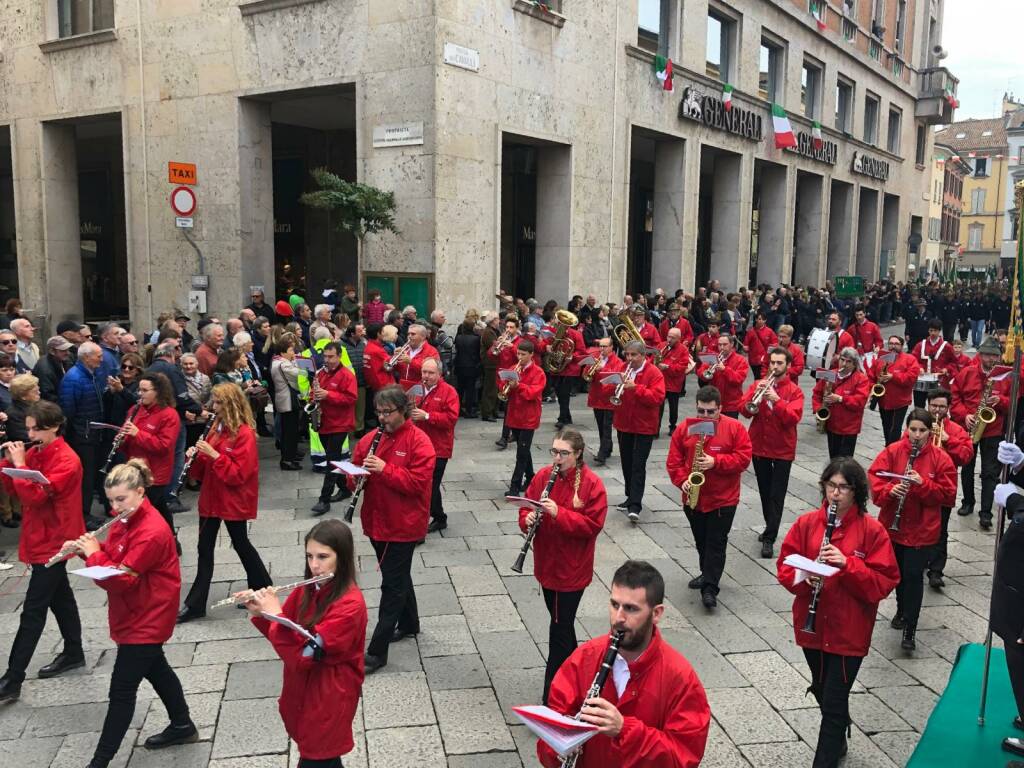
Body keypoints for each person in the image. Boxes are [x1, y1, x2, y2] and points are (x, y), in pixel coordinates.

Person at [67, 460, 198, 768]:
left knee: (121, 691)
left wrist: (94, 555)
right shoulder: (127, 521)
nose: (114, 507)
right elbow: (115, 558)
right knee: (157, 669)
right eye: (110, 500)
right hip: (136, 612)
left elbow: (123, 579)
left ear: (140, 492)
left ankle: (100, 761)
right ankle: (182, 725)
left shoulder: (151, 530)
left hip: (148, 616)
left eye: (120, 499)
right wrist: (88, 548)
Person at [777, 457, 899, 768]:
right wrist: (807, 576)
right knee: (822, 688)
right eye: (831, 485)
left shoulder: (873, 531)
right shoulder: (807, 523)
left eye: (843, 487)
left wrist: (848, 565)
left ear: (856, 491)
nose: (836, 493)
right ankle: (840, 730)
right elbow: (785, 566)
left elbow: (883, 582)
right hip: (813, 626)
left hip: (849, 630)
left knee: (833, 701)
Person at [538, 559, 710, 768]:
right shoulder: (584, 658)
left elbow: (684, 757)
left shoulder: (681, 678)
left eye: (631, 609)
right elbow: (549, 732)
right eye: (614, 605)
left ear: (656, 613)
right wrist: (557, 747)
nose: (618, 617)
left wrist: (624, 730)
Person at [244, 519, 367, 768]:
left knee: (318, 757)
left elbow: (303, 656)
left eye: (323, 556)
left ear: (341, 558)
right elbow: (283, 635)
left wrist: (275, 613)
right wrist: (262, 611)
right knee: (324, 759)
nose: (314, 565)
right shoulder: (308, 590)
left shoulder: (351, 605)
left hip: (329, 696)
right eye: (309, 556)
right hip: (305, 691)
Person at [0, 401, 85, 703]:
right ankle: (74, 651)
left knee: (33, 611)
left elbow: (36, 498)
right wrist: (7, 464)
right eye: (29, 427)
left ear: (54, 428)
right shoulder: (36, 452)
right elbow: (14, 491)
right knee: (60, 598)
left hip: (55, 540)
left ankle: (13, 677)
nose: (30, 433)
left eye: (36, 428)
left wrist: (21, 466)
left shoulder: (67, 460)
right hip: (40, 535)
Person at [349, 386, 434, 674]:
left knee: (392, 585)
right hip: (376, 520)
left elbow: (418, 485)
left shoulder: (420, 442)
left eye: (388, 412)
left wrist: (385, 470)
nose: (382, 418)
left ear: (403, 411)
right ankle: (410, 623)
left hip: (404, 524)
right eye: (379, 412)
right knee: (395, 574)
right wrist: (354, 476)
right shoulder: (370, 439)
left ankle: (377, 651)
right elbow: (354, 471)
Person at [519, 428, 607, 704]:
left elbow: (592, 526)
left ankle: (552, 698)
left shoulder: (592, 484)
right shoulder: (544, 476)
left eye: (563, 453)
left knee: (558, 631)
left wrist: (560, 514)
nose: (557, 458)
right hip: (547, 562)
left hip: (572, 569)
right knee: (563, 626)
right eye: (554, 452)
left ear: (578, 453)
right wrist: (527, 519)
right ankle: (580, 673)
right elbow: (525, 506)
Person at [177, 383, 271, 622]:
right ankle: (196, 604)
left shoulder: (244, 434)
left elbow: (239, 474)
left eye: (218, 403)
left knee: (241, 543)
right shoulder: (215, 429)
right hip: (211, 499)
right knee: (204, 549)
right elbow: (200, 473)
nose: (213, 407)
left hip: (232, 500)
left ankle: (262, 588)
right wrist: (194, 458)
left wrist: (215, 455)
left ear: (230, 404)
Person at [868, 409, 957, 651]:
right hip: (893, 527)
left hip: (921, 530)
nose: (916, 435)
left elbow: (948, 495)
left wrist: (922, 484)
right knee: (897, 574)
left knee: (913, 575)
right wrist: (889, 491)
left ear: (930, 432)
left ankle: (911, 628)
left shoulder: (941, 458)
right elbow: (875, 478)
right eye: (913, 430)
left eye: (922, 431)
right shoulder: (893, 451)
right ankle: (901, 609)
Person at [667, 385, 752, 608]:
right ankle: (707, 573)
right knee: (701, 541)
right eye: (701, 411)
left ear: (720, 408)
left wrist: (716, 462)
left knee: (716, 543)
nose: (705, 416)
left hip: (723, 499)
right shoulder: (685, 429)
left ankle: (710, 588)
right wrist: (682, 480)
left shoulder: (734, 428)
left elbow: (743, 459)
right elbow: (674, 461)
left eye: (710, 412)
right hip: (694, 498)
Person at [740, 348, 804, 559]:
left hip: (782, 450)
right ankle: (770, 525)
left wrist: (776, 400)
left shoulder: (795, 391)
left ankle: (769, 537)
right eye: (772, 363)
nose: (775, 367)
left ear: (787, 366)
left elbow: (792, 419)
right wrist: (753, 406)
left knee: (777, 495)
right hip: (760, 446)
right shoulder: (758, 384)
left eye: (779, 363)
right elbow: (743, 408)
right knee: (765, 492)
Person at [951, 336, 1010, 529]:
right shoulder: (967, 373)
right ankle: (968, 502)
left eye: (995, 356)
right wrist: (964, 415)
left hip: (993, 429)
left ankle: (986, 512)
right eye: (987, 355)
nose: (991, 359)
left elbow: (1014, 404)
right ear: (980, 355)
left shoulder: (1006, 377)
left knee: (990, 472)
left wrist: (1000, 400)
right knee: (966, 467)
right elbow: (954, 397)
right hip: (969, 426)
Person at [117, 372, 181, 536]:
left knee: (144, 510)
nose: (140, 394)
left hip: (155, 472)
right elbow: (129, 443)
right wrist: (121, 440)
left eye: (145, 390)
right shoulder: (135, 409)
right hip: (135, 468)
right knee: (159, 507)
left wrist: (138, 434)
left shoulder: (169, 415)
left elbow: (164, 446)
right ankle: (172, 540)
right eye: (139, 390)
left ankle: (159, 540)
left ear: (158, 392)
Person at [923, 389, 974, 589]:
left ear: (948, 408)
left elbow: (965, 456)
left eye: (941, 406)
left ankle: (936, 571)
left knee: (940, 530)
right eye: (934, 405)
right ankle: (921, 561)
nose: (937, 410)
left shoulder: (956, 430)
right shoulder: (919, 425)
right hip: (921, 485)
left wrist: (947, 439)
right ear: (928, 405)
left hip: (944, 488)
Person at [611, 340, 666, 523]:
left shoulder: (654, 372)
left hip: (644, 426)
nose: (629, 358)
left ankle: (636, 505)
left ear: (643, 355)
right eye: (627, 354)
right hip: (624, 423)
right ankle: (629, 496)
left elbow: (657, 398)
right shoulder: (622, 367)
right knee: (626, 462)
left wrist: (636, 388)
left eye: (633, 355)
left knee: (638, 464)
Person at [58, 341, 106, 529]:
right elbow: (68, 409)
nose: (101, 359)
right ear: (86, 357)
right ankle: (83, 515)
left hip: (91, 433)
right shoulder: (74, 378)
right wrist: (79, 430)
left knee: (90, 475)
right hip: (82, 435)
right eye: (98, 356)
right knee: (85, 477)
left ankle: (86, 512)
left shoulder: (89, 375)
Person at [410, 358, 459, 534]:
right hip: (418, 445)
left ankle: (432, 519)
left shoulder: (449, 392)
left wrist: (428, 416)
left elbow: (451, 420)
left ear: (440, 374)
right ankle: (439, 516)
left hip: (439, 447)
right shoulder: (417, 388)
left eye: (430, 373)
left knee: (430, 485)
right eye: (424, 372)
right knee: (427, 485)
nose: (426, 376)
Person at [310, 342, 358, 516]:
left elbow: (351, 398)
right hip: (324, 422)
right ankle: (345, 488)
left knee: (331, 460)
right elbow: (313, 392)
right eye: (325, 357)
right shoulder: (320, 373)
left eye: (331, 357)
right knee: (335, 459)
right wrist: (313, 396)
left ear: (339, 356)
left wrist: (329, 395)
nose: (327, 360)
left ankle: (324, 499)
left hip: (340, 423)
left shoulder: (347, 375)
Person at [502, 340, 546, 496]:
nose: (519, 357)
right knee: (524, 449)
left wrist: (518, 386)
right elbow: (505, 390)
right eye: (518, 354)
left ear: (531, 355)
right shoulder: (514, 368)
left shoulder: (539, 372)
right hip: (514, 415)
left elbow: (532, 393)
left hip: (529, 417)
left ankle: (514, 487)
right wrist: (505, 384)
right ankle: (531, 478)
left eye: (523, 354)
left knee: (521, 452)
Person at [812, 347, 871, 459]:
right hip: (832, 424)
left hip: (849, 428)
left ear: (854, 364)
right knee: (833, 458)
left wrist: (840, 399)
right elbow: (816, 393)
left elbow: (860, 402)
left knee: (845, 461)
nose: (844, 363)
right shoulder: (830, 374)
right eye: (842, 360)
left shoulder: (861, 379)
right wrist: (818, 408)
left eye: (848, 361)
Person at [867, 335, 921, 446]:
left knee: (895, 430)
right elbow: (870, 377)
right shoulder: (881, 359)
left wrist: (893, 376)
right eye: (891, 343)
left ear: (902, 346)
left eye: (896, 344)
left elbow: (911, 378)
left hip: (900, 402)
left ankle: (892, 450)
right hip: (883, 401)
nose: (893, 346)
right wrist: (874, 385)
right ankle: (890, 448)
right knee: (886, 427)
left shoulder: (910, 359)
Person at [585, 337, 624, 466]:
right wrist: (590, 369)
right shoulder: (595, 358)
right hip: (597, 397)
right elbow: (586, 375)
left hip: (608, 399)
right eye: (600, 346)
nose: (602, 349)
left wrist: (600, 370)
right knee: (601, 425)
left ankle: (602, 453)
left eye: (605, 346)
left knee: (607, 427)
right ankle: (608, 447)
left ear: (611, 347)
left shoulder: (617, 362)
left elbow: (613, 380)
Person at [695, 334, 748, 418]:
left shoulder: (741, 360)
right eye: (719, 345)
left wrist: (725, 370)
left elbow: (739, 379)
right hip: (713, 403)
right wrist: (705, 373)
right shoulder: (713, 357)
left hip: (731, 405)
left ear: (732, 344)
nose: (722, 347)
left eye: (725, 344)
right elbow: (700, 372)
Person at [271, 334, 304, 471]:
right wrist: (299, 363)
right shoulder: (283, 364)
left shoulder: (277, 361)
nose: (293, 353)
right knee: (289, 432)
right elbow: (299, 373)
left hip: (285, 400)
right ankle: (287, 460)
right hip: (287, 402)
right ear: (283, 351)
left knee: (289, 430)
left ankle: (290, 455)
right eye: (291, 350)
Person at [911, 319, 958, 408]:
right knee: (918, 406)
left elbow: (954, 362)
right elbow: (913, 359)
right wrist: (918, 367)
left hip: (938, 381)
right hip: (922, 380)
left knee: (935, 407)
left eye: (935, 331)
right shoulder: (920, 345)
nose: (932, 333)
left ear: (940, 331)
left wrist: (946, 369)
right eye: (931, 330)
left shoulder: (947, 346)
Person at [656, 327, 693, 438]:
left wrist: (667, 367)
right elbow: (654, 358)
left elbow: (682, 367)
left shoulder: (683, 350)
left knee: (673, 406)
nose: (669, 339)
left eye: (672, 338)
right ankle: (656, 428)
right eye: (668, 336)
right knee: (658, 407)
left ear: (679, 339)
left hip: (674, 383)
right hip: (661, 381)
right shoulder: (661, 346)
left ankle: (672, 426)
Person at [394, 323, 439, 392]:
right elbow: (397, 369)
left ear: (423, 337)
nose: (409, 336)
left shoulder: (432, 351)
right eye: (408, 334)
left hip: (421, 388)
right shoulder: (405, 349)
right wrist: (394, 358)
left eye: (413, 334)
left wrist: (411, 362)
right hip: (403, 387)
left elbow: (431, 372)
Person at [33, 336, 73, 403]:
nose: (67, 353)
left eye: (67, 350)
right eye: (63, 350)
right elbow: (47, 395)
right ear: (52, 351)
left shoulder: (64, 360)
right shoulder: (44, 369)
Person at [743, 312, 778, 381]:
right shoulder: (751, 332)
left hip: (765, 359)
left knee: (762, 378)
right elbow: (746, 344)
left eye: (762, 319)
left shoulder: (769, 331)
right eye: (758, 319)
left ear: (765, 321)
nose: (760, 321)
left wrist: (769, 351)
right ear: (755, 320)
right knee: (757, 377)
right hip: (754, 359)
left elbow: (775, 343)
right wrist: (745, 348)